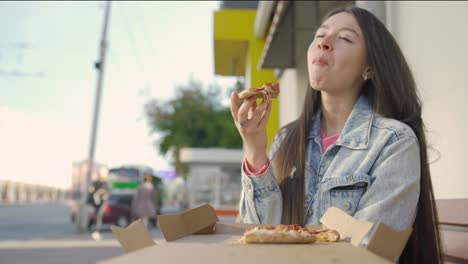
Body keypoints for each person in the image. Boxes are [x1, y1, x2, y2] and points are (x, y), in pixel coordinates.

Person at [230, 6, 441, 264]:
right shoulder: (286, 139)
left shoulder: (394, 142)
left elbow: (368, 253)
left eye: (345, 38)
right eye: (319, 36)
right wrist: (254, 150)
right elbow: (256, 235)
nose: (325, 43)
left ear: (370, 68)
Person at [89, 172, 109, 241]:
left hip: (102, 203)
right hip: (95, 203)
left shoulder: (105, 184)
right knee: (96, 216)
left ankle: (97, 231)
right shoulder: (95, 183)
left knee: (99, 216)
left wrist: (101, 192)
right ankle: (96, 231)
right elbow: (91, 190)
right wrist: (93, 191)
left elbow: (106, 191)